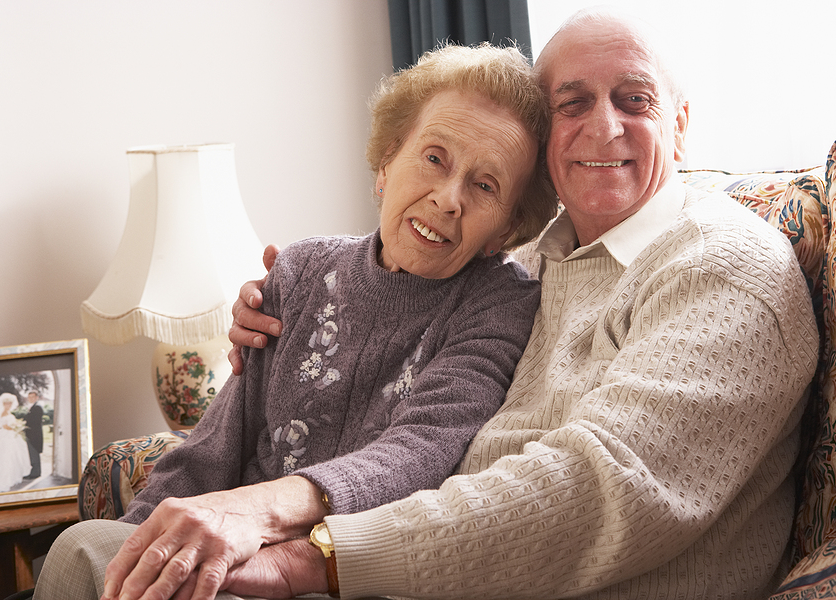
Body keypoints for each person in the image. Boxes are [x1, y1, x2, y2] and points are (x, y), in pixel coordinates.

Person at [217, 9, 819, 600]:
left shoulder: (726, 267)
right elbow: (391, 313)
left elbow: (603, 488)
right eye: (572, 103)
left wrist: (321, 557)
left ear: (680, 125)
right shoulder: (528, 262)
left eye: (634, 100)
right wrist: (288, 298)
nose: (604, 127)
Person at [35, 43, 556, 600]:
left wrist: (255, 517)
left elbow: (420, 451)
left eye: (485, 186)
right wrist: (140, 545)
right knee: (90, 546)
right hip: (226, 561)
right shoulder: (304, 269)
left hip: (334, 575)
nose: (449, 199)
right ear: (386, 161)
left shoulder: (499, 303)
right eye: (434, 157)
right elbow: (213, 449)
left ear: (504, 232)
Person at [23, 390, 45, 479]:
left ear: (37, 398)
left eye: (33, 397)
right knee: (32, 454)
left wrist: (24, 425)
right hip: (31, 435)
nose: (31, 399)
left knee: (34, 453)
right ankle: (35, 472)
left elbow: (34, 422)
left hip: (34, 435)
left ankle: (35, 473)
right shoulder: (32, 407)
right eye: (29, 397)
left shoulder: (37, 407)